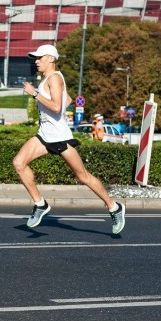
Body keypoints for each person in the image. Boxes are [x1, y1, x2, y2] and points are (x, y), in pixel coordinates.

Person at [14, 44, 125, 234]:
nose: (37, 61)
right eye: (36, 58)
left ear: (51, 58)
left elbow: (57, 107)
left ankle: (115, 208)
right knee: (18, 163)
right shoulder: (50, 79)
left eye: (40, 58)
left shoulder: (55, 78)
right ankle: (40, 204)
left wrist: (35, 93)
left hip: (60, 137)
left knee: (83, 176)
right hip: (44, 135)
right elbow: (68, 100)